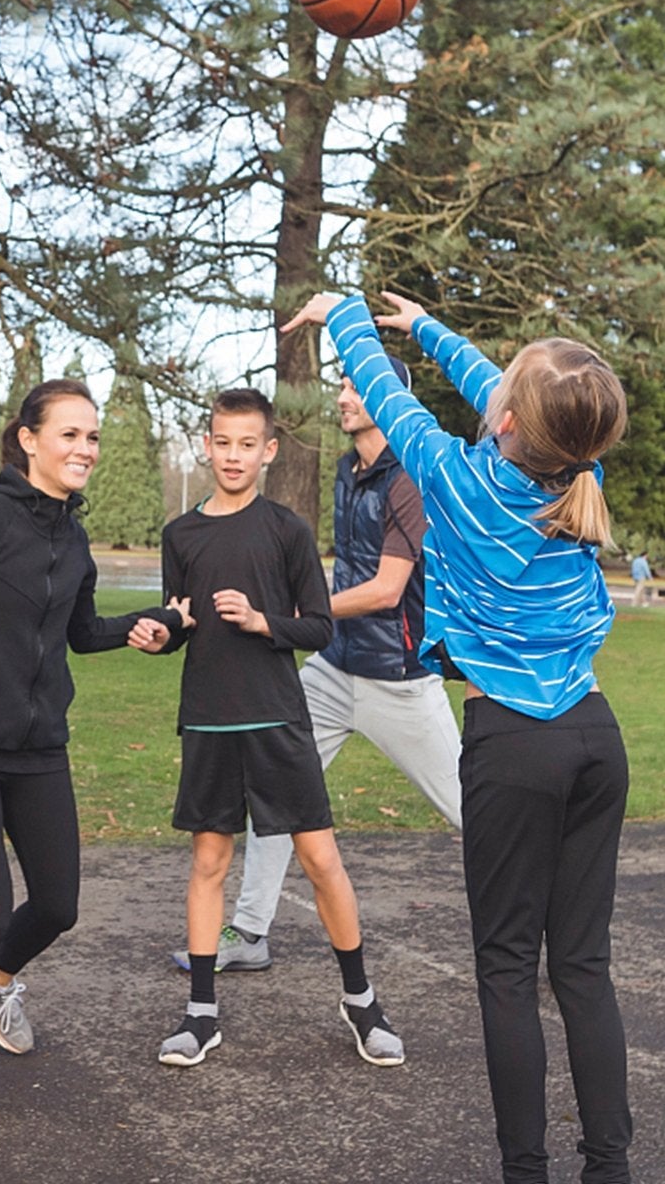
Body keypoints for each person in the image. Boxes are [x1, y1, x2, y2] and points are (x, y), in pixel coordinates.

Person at [286, 289, 633, 1184]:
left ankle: (526, 1171)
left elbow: (384, 389)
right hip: (595, 738)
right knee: (583, 969)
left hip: (515, 745)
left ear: (509, 420)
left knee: (509, 972)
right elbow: (515, 398)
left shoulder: (458, 476)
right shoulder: (580, 470)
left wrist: (348, 314)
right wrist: (429, 329)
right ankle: (611, 1168)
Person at [0, 378, 185, 1129]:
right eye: (71, 435)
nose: (86, 449)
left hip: (40, 748)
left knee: (58, 906)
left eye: (93, 437)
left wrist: (144, 625)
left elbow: (79, 630)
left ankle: (0, 986)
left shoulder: (74, 538)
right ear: (29, 440)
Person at [145, 386, 405, 1071]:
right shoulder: (181, 535)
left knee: (322, 862)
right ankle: (201, 1015)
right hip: (207, 720)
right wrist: (161, 633)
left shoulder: (288, 530)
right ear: (206, 445)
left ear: (268, 451)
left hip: (278, 720)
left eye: (246, 445)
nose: (233, 456)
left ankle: (362, 1003)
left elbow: (318, 626)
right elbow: (182, 623)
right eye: (221, 442)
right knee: (209, 863)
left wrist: (264, 622)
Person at [178, 356, 463, 975]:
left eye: (356, 386)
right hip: (334, 670)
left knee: (475, 809)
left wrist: (286, 612)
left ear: (389, 399)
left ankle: (544, 932)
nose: (342, 395)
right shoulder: (348, 470)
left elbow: (387, 589)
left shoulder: (408, 478)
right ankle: (249, 933)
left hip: (399, 678)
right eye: (342, 383)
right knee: (275, 794)